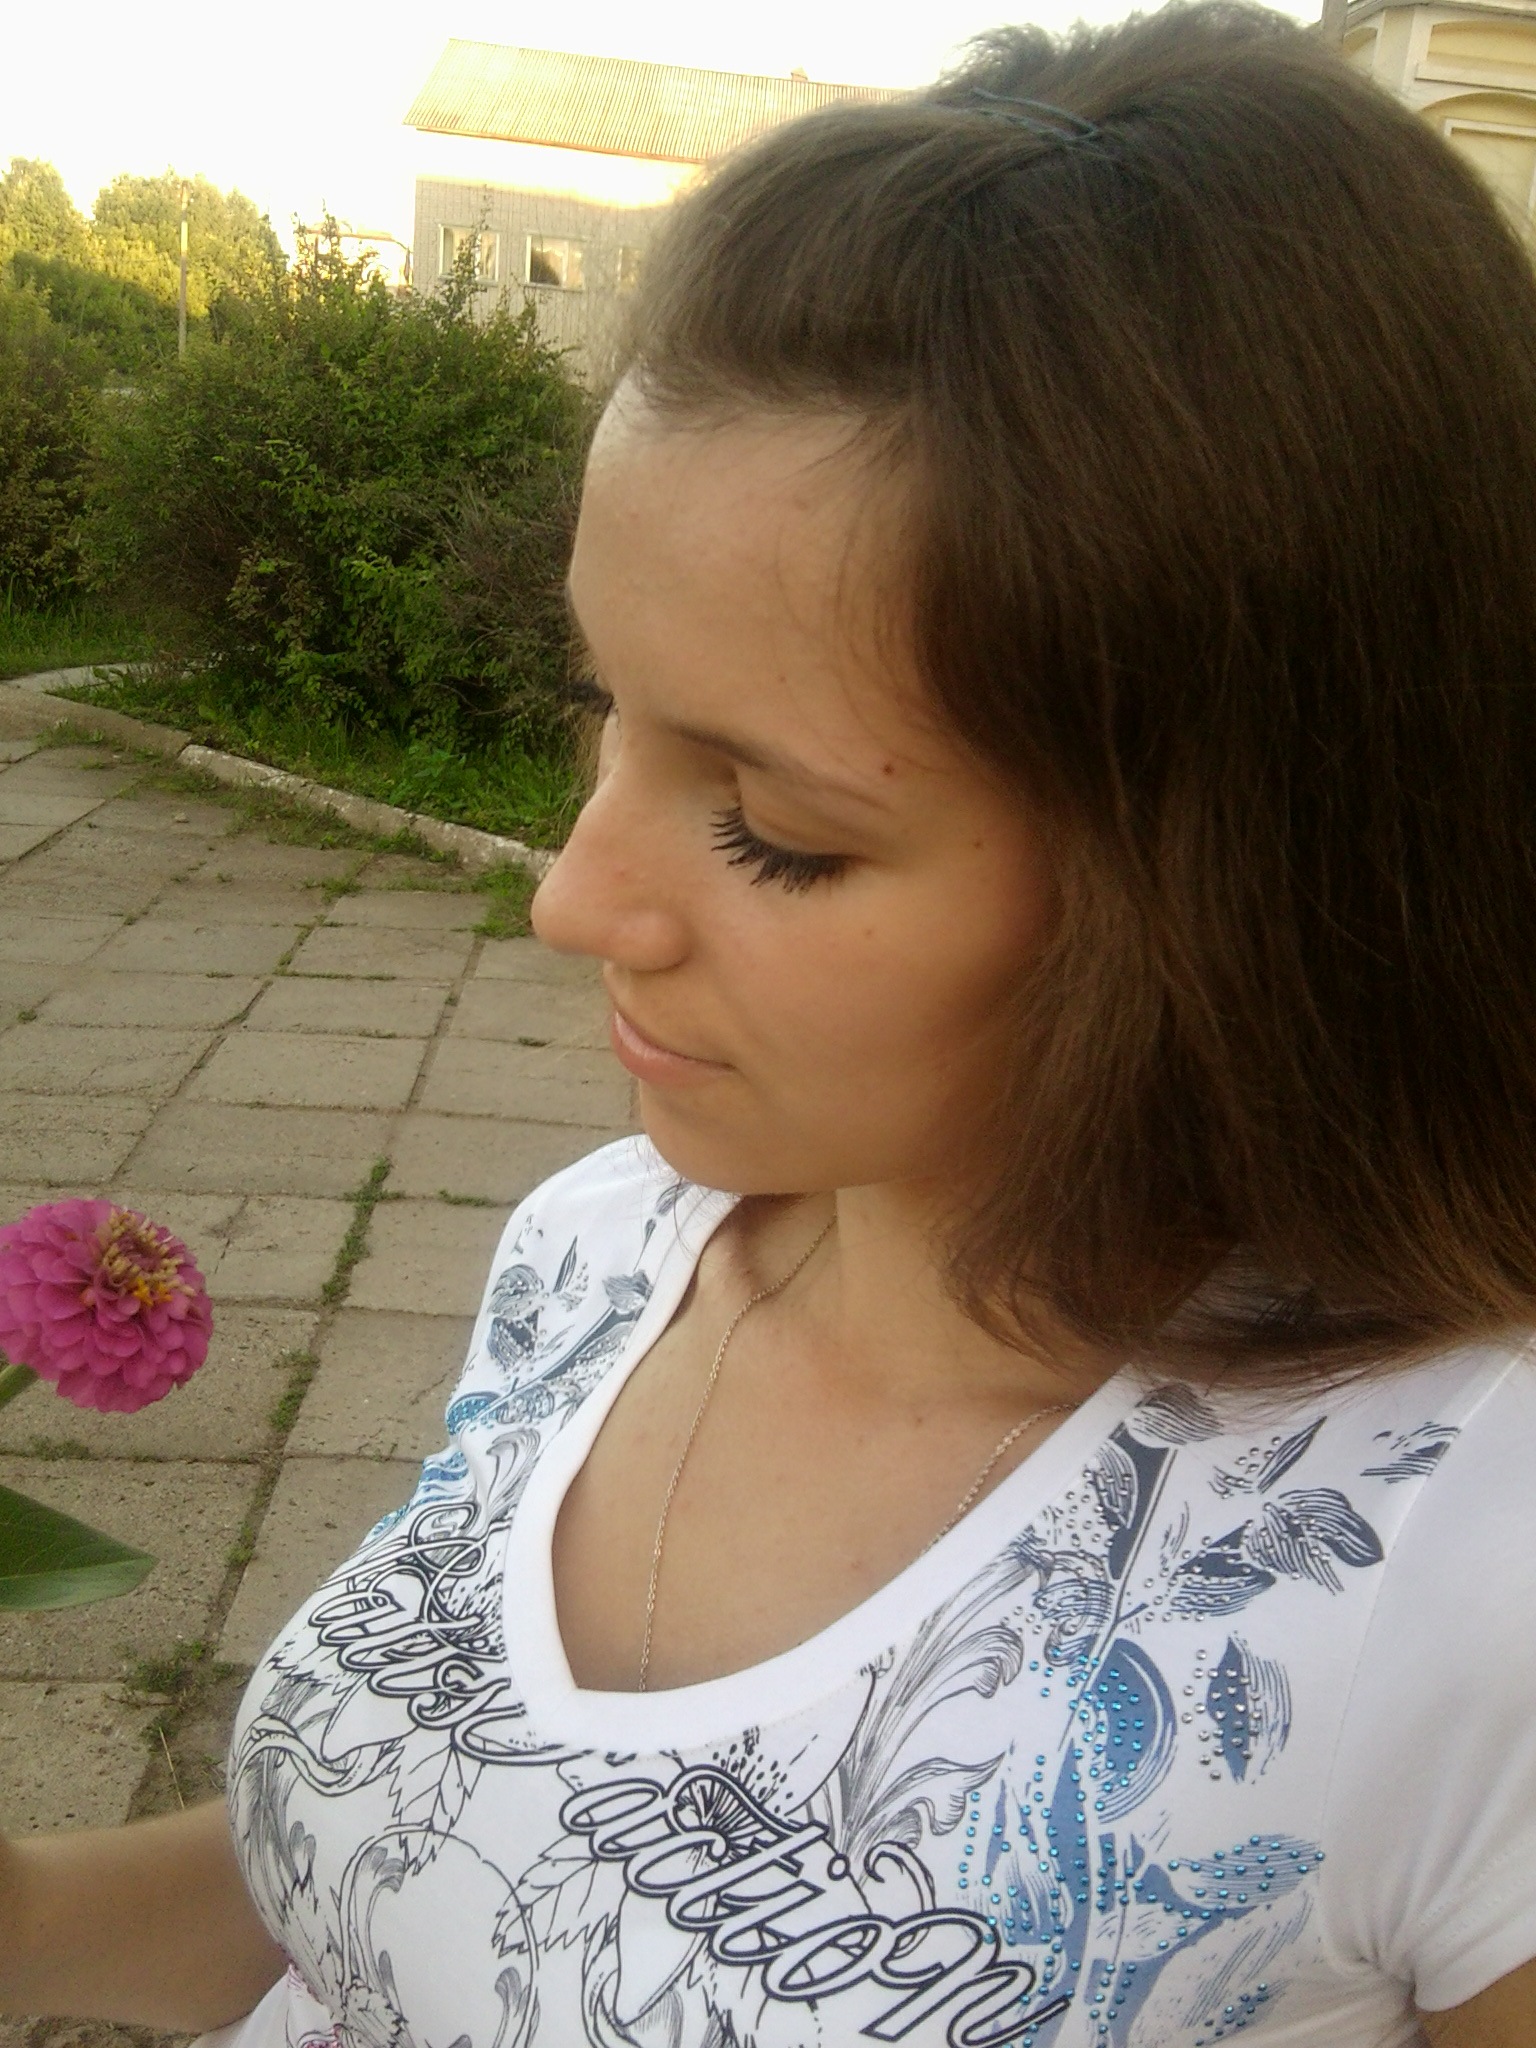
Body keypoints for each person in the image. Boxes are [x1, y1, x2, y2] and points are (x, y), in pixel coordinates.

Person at [5, 4, 1536, 2042]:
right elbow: (401, 1881)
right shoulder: (597, 1255)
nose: (570, 898)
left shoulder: (1462, 1574)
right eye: (603, 709)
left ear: (1245, 879)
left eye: (773, 828)